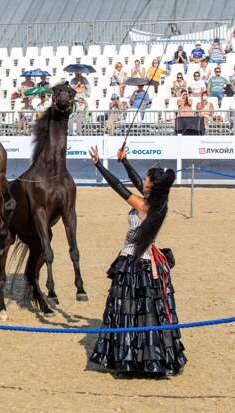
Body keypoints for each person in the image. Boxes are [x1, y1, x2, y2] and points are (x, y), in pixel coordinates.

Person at [88, 145, 186, 378]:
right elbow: (133, 182)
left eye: (145, 179)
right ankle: (152, 359)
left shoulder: (143, 206)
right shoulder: (159, 203)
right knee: (149, 311)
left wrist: (99, 165)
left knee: (128, 310)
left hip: (134, 263)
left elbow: (119, 188)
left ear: (152, 185)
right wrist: (124, 161)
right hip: (148, 262)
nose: (142, 181)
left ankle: (132, 362)